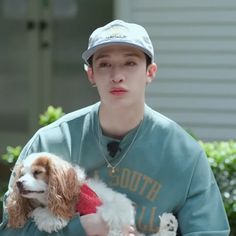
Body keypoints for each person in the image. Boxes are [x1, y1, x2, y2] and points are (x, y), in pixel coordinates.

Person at [0, 19, 230, 236]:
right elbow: (9, 230)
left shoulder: (184, 153)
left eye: (130, 63)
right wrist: (82, 228)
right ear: (91, 74)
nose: (117, 76)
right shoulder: (50, 143)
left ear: (150, 72)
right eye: (105, 64)